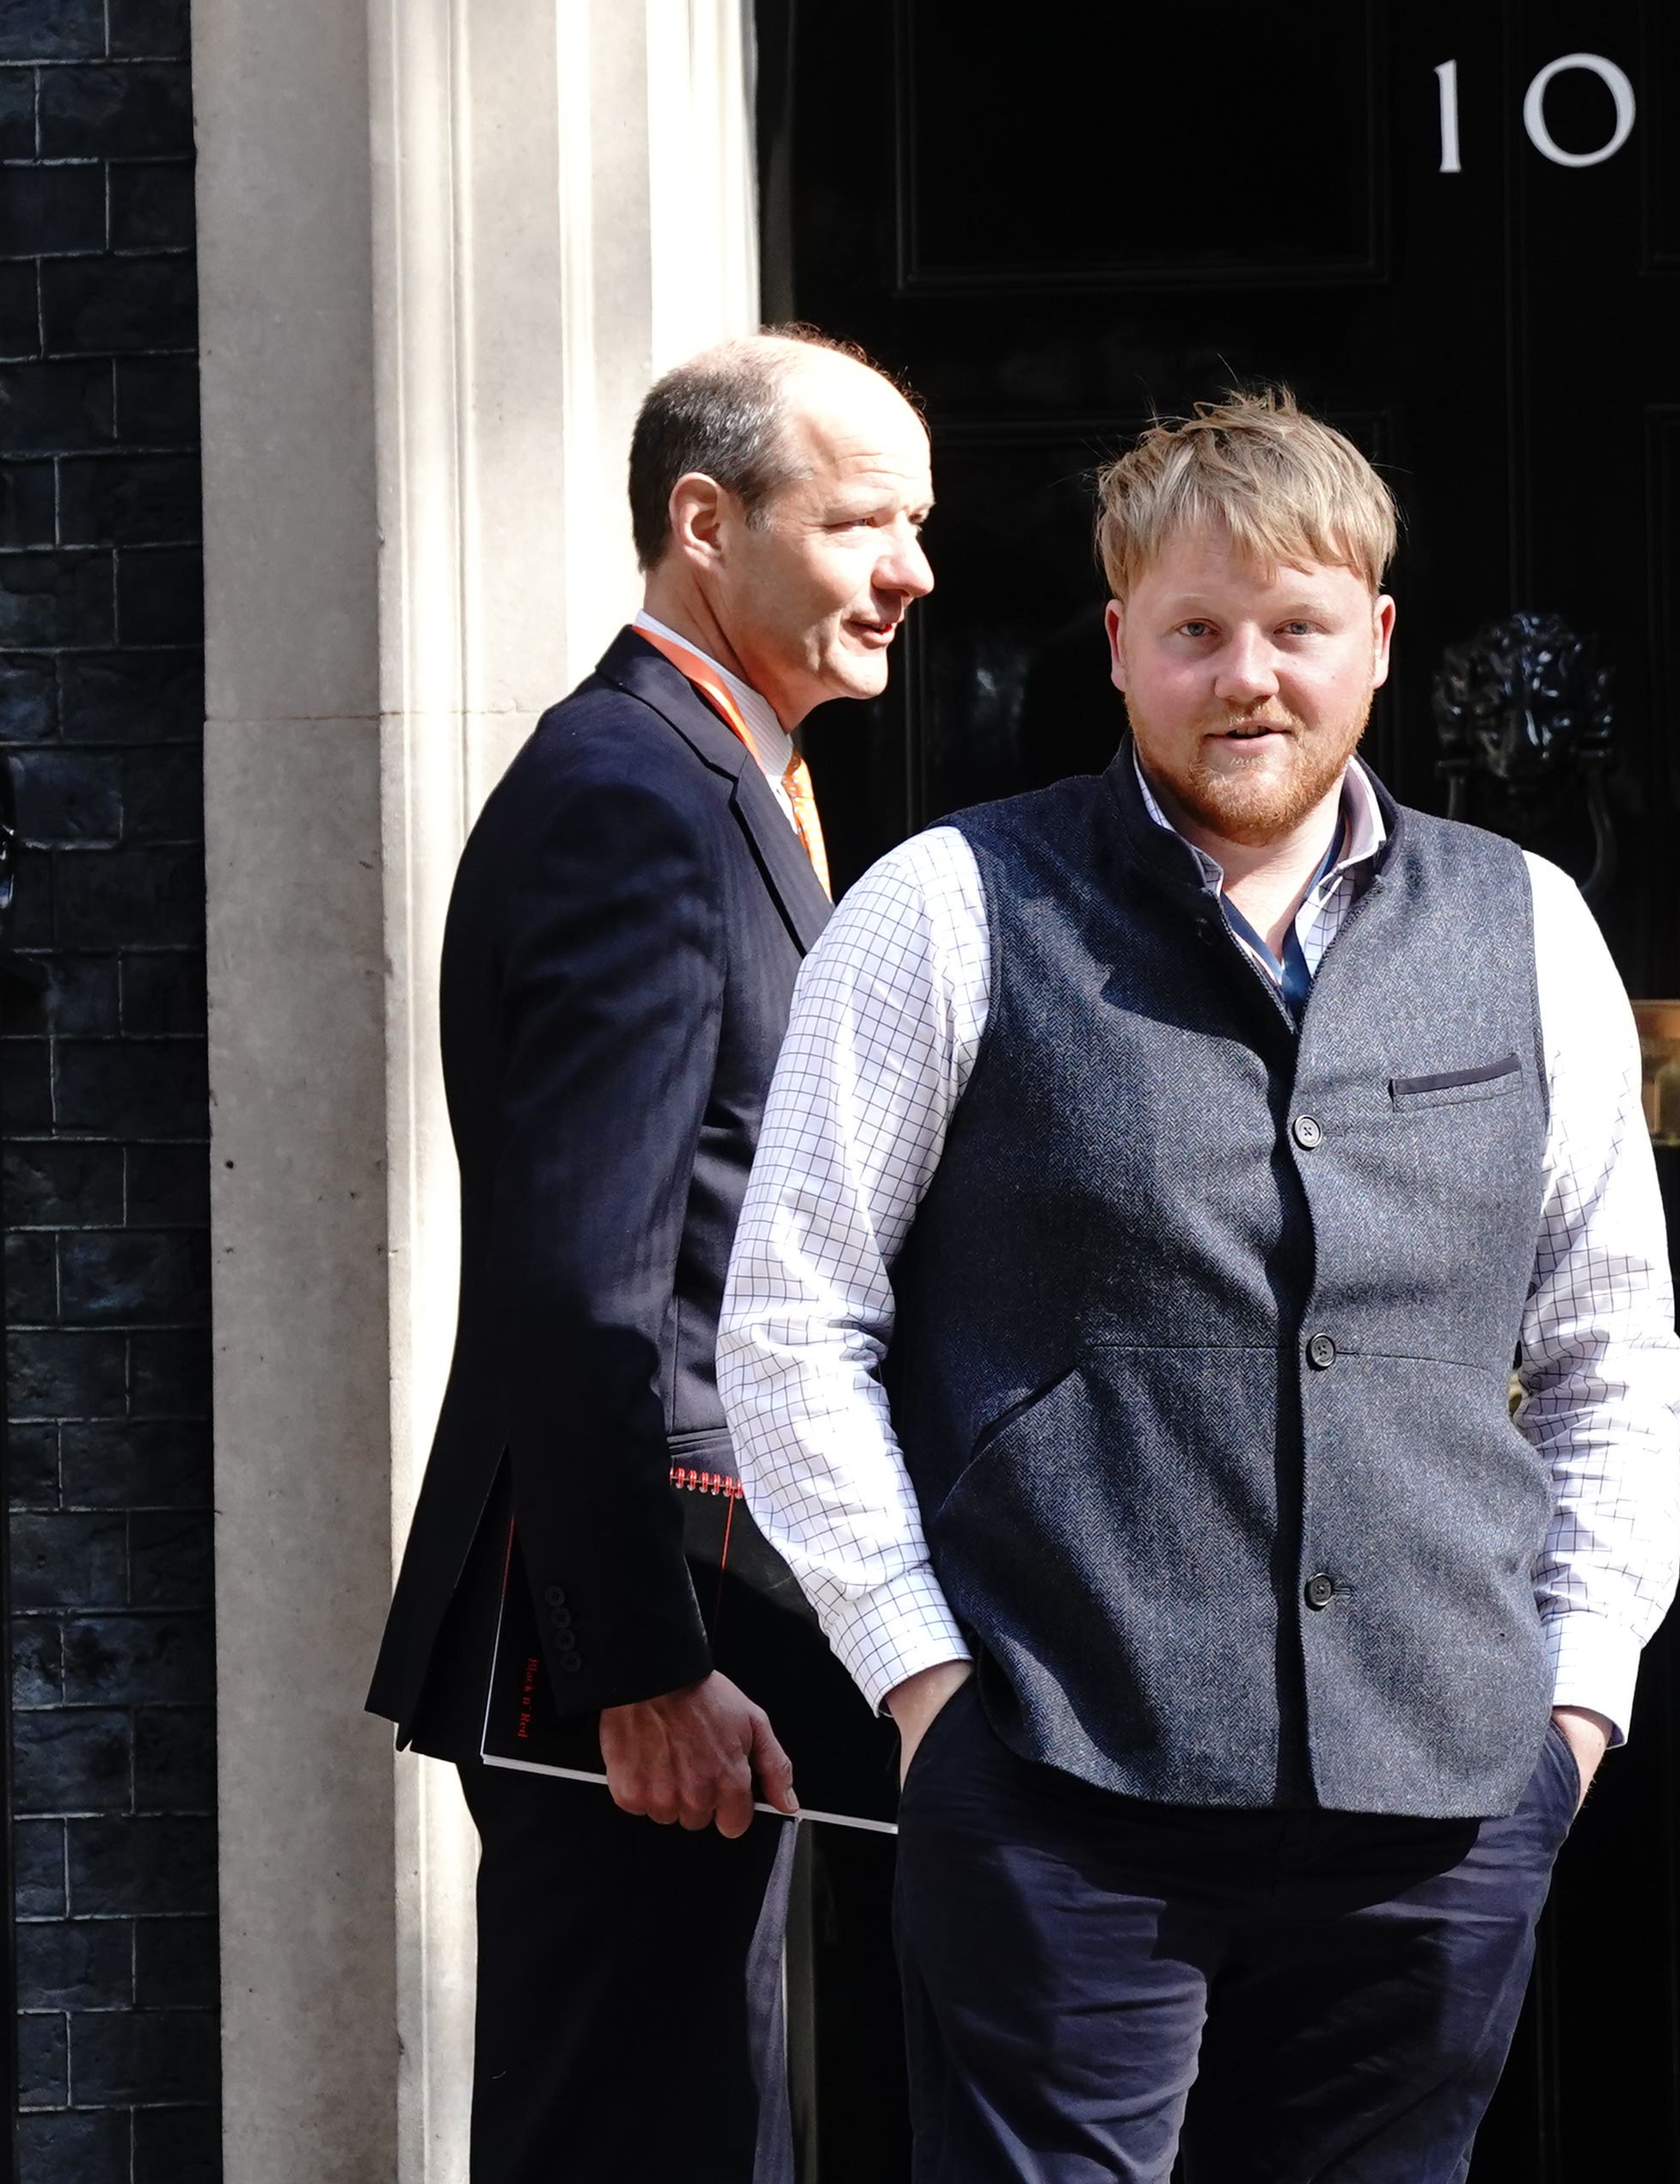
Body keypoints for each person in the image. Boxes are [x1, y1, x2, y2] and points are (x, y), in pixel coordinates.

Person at [717, 389, 1680, 2181]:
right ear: (1119, 646)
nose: (1249, 676)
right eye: (1197, 631)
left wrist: (1576, 1703)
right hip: (1060, 1780)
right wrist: (925, 1687)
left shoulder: (1530, 923)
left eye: (1298, 629)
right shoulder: (947, 907)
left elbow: (1610, 1342)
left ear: (1376, 644)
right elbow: (792, 1322)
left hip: (1443, 1796)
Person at [365, 328, 935, 2181]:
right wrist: (644, 1665)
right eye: (863, 521)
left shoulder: (717, 776)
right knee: (642, 2134)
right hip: (634, 1641)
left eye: (912, 522)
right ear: (707, 520)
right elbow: (584, 1280)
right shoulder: (639, 797)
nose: (911, 569)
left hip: (695, 1617)